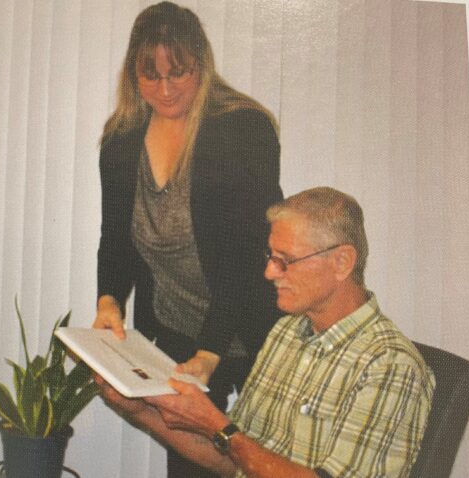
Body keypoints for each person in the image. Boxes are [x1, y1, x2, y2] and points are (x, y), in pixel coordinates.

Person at [98, 186, 436, 478]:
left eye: (285, 260)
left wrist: (217, 426)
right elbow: (234, 460)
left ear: (342, 262)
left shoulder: (389, 364)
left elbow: (231, 440)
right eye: (270, 256)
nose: (270, 272)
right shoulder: (286, 332)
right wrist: (140, 409)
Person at [93, 2, 282, 477]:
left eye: (178, 73)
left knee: (265, 461)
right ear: (133, 73)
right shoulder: (121, 142)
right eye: (151, 75)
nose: (165, 89)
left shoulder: (243, 128)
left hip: (255, 324)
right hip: (177, 326)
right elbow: (115, 237)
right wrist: (109, 300)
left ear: (202, 65)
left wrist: (212, 350)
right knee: (190, 466)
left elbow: (246, 252)